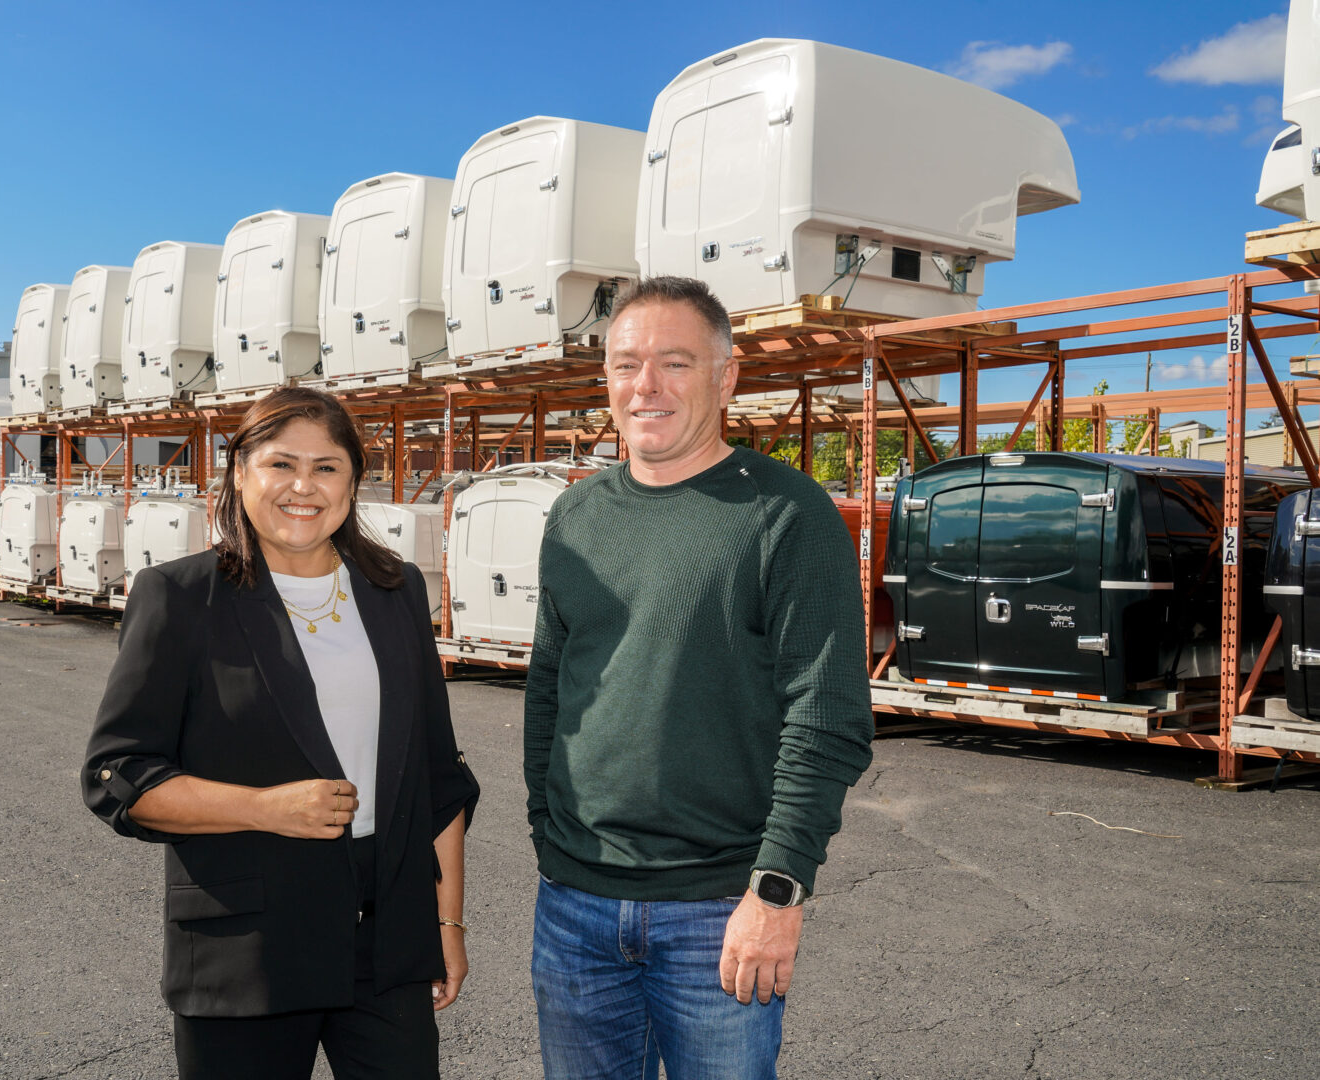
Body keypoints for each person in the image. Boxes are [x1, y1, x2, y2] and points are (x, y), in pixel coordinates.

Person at [524, 276, 874, 1078]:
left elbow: (826, 716)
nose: (644, 386)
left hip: (720, 915)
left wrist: (778, 891)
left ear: (727, 377)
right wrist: (551, 837)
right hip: (574, 906)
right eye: (625, 364)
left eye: (674, 363)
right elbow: (550, 688)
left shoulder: (785, 515)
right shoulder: (575, 517)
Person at [83, 386, 478, 1080]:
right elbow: (118, 775)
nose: (304, 486)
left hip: (386, 939)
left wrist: (446, 927)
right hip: (246, 943)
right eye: (280, 464)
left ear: (354, 481)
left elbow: (439, 780)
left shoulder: (396, 591)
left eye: (327, 467)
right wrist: (266, 808)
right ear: (240, 473)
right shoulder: (180, 597)